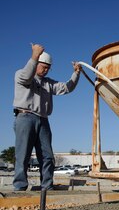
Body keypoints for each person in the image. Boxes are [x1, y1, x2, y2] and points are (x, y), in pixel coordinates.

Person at [13, 43, 82, 191]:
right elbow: (26, 77)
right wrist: (34, 56)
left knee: (47, 156)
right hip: (25, 118)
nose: (46, 70)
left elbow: (66, 87)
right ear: (36, 63)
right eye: (43, 66)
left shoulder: (48, 83)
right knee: (23, 154)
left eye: (48, 68)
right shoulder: (21, 74)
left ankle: (47, 186)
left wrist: (76, 74)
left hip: (43, 120)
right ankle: (19, 187)